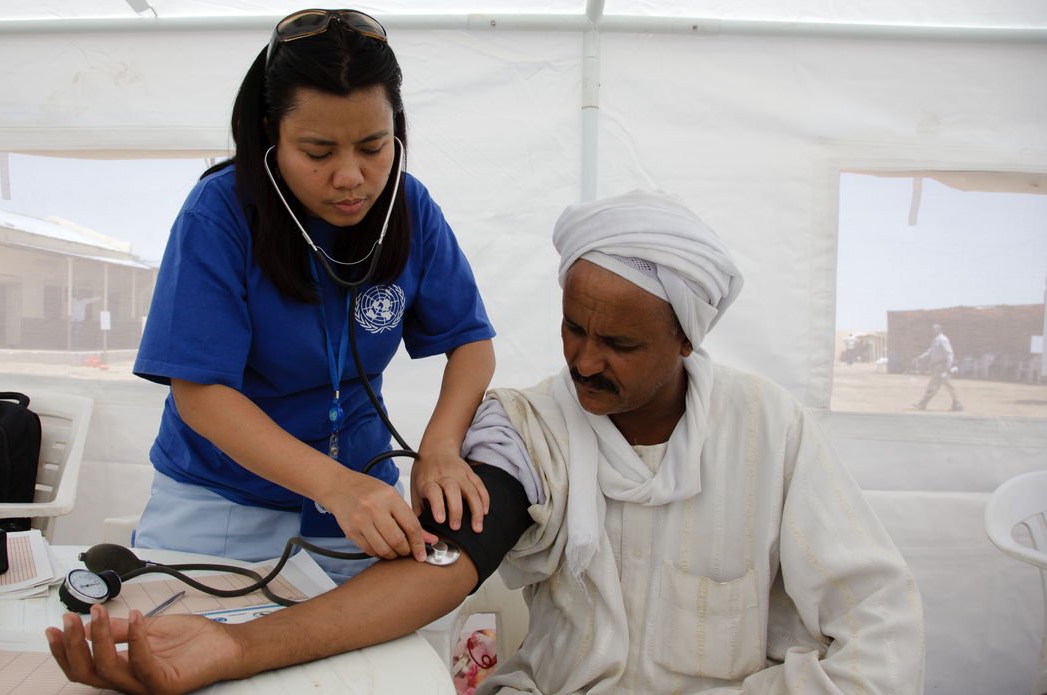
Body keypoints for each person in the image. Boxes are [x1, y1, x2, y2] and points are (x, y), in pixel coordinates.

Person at [49, 189, 925, 694]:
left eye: (619, 345)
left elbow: (878, 627)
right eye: (573, 328)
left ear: (689, 340)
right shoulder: (529, 426)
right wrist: (232, 646)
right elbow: (443, 570)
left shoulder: (771, 432)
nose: (583, 360)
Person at [130, 8, 497, 583]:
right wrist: (334, 486)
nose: (350, 177)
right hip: (222, 504)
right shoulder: (219, 214)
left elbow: (471, 344)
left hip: (364, 503)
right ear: (269, 136)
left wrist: (442, 448)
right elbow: (200, 392)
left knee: (366, 664)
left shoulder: (409, 207)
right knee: (195, 654)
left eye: (374, 147)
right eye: (319, 153)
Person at [913, 323, 963, 411]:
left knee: (933, 385)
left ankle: (922, 404)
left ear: (939, 330)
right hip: (938, 366)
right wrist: (920, 358)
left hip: (942, 366)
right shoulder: (936, 340)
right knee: (948, 385)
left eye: (934, 329)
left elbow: (949, 353)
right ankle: (957, 404)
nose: (932, 331)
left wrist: (948, 366)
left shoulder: (943, 340)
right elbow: (930, 352)